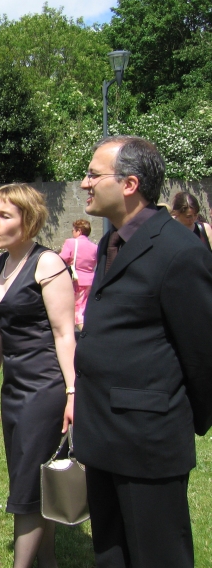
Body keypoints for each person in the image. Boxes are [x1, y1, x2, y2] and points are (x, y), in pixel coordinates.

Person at [75, 135, 212, 567]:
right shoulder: (110, 242)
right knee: (111, 555)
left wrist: (182, 418)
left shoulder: (180, 250)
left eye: (93, 175)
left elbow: (201, 352)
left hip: (147, 443)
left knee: (158, 557)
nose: (84, 184)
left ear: (130, 183)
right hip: (101, 435)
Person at [0, 183, 76, 568]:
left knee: (26, 485)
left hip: (46, 388)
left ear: (29, 219)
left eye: (5, 216)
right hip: (14, 388)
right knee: (37, 480)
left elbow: (64, 332)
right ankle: (48, 561)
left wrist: (73, 392)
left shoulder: (48, 264)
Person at [58, 219, 98, 329]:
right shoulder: (95, 247)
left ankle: (84, 336)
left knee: (75, 311)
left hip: (75, 281)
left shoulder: (71, 242)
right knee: (84, 309)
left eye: (73, 230)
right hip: (90, 281)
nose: (72, 232)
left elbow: (62, 259)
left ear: (79, 231)